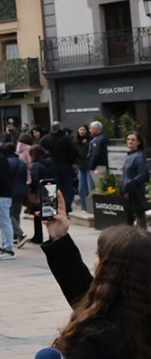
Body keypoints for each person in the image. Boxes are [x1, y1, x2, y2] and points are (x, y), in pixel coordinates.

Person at [40, 192, 151, 357]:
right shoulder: (135, 311)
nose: (96, 261)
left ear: (112, 270)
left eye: (99, 255)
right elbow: (85, 292)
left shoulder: (93, 337)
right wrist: (59, 238)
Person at [120, 132, 147, 228]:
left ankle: (144, 240)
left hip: (136, 191)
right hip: (128, 191)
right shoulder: (129, 156)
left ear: (138, 142)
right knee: (129, 218)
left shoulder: (139, 156)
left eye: (133, 139)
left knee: (139, 217)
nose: (130, 141)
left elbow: (143, 174)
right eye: (128, 139)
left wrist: (129, 183)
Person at [86, 121, 109, 208]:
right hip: (101, 166)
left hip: (98, 167)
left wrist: (92, 167)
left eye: (91, 128)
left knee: (99, 186)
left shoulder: (98, 140)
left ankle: (101, 207)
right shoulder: (103, 138)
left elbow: (95, 154)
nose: (90, 130)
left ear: (95, 129)